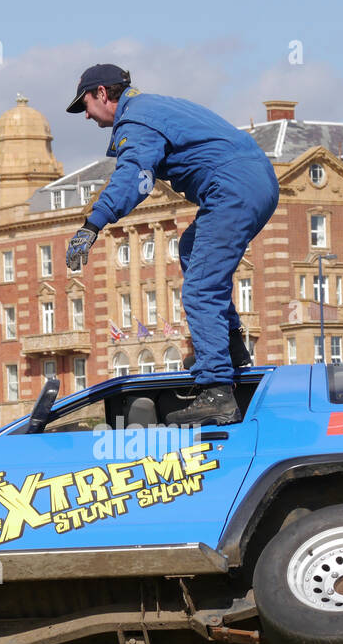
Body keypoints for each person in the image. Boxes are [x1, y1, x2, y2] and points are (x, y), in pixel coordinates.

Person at [64, 64, 280, 425]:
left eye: (85, 104)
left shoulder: (136, 121)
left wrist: (92, 225)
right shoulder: (154, 106)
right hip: (256, 181)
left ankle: (216, 391)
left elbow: (135, 176)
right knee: (192, 250)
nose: (86, 115)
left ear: (102, 93)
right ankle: (230, 349)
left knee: (200, 288)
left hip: (233, 188)